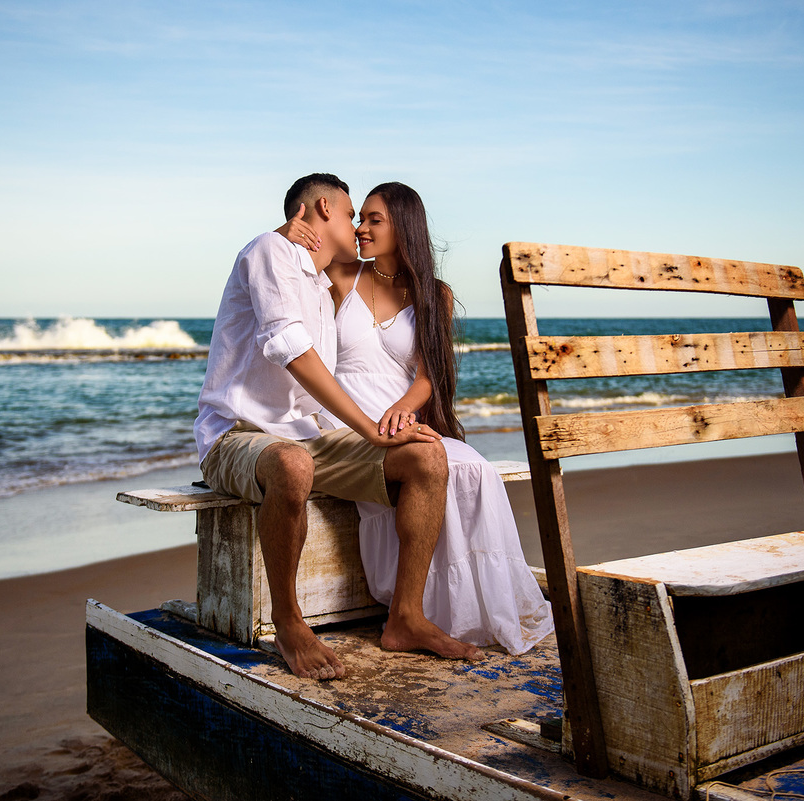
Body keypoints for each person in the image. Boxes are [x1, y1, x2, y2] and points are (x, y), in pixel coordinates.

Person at [195, 173, 483, 682]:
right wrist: (371, 428)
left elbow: (384, 275)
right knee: (291, 462)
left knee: (426, 454)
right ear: (324, 207)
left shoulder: (323, 278)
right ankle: (289, 623)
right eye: (352, 215)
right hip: (237, 435)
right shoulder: (270, 251)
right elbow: (289, 349)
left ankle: (406, 617)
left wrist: (391, 425)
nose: (356, 228)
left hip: (307, 433)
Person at [285, 182, 554, 654]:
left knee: (470, 466)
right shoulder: (343, 276)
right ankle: (410, 614)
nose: (361, 228)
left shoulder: (436, 295)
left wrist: (404, 409)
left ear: (404, 227)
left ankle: (455, 609)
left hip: (399, 411)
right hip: (346, 417)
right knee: (428, 462)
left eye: (373, 220)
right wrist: (290, 228)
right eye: (359, 218)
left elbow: (429, 377)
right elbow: (283, 266)